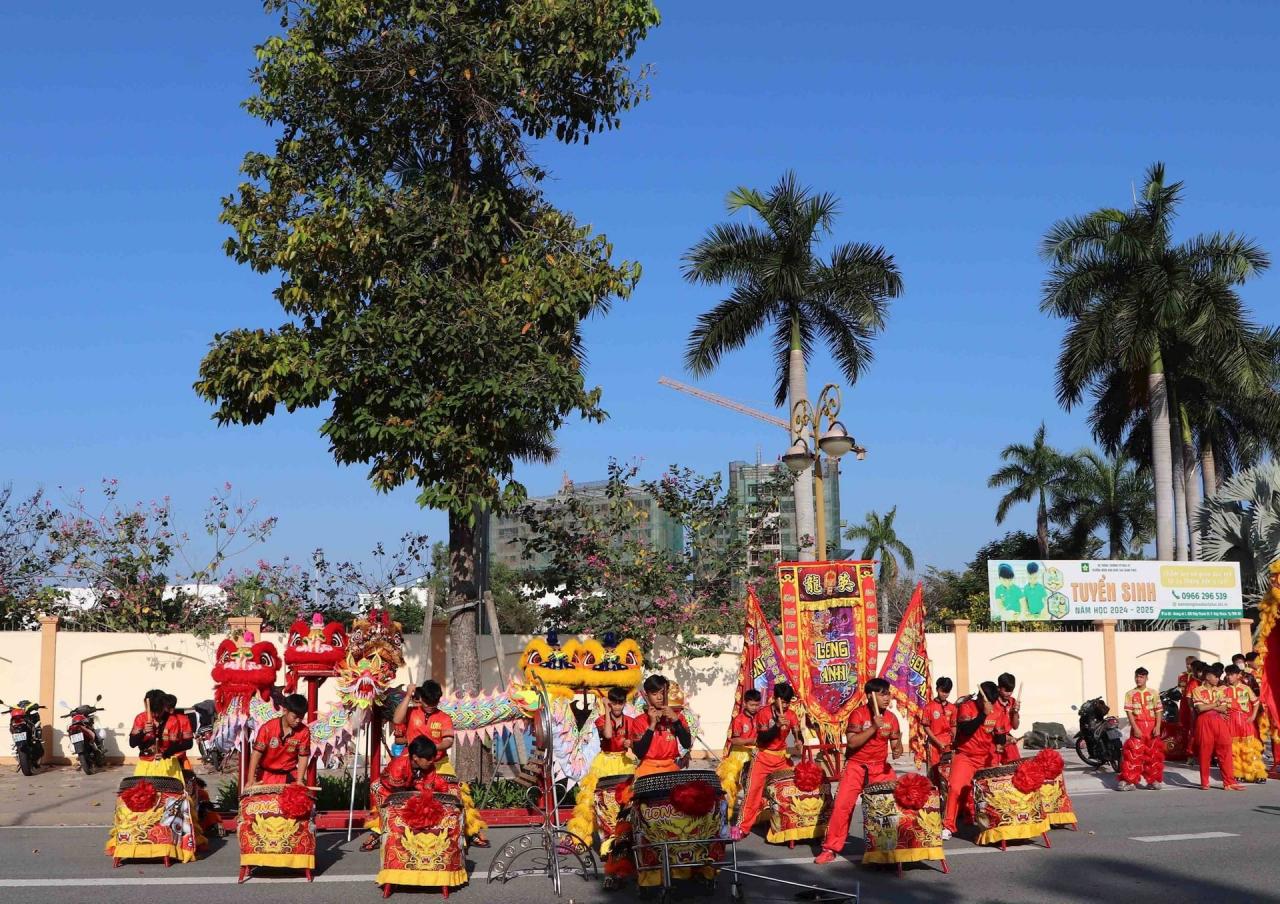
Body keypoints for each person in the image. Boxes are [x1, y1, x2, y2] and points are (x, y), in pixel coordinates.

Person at [814, 678, 901, 864]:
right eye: (882, 694)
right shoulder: (858, 714)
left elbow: (895, 744)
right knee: (841, 807)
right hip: (856, 766)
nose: (887, 698)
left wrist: (898, 747)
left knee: (892, 805)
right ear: (870, 696)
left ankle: (889, 846)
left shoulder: (892, 718)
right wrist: (874, 728)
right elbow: (852, 742)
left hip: (880, 768)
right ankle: (830, 848)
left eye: (888, 694)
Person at [393, 679, 489, 847]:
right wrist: (408, 695)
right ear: (420, 699)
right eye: (428, 702)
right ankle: (381, 833)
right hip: (413, 763)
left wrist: (431, 749)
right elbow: (396, 719)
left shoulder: (444, 717)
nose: (431, 705)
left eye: (435, 702)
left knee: (458, 792)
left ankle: (471, 831)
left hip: (438, 762)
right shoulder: (410, 713)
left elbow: (448, 741)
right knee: (395, 795)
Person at [731, 683, 801, 839]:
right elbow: (762, 739)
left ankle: (789, 825)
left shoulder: (791, 714)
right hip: (763, 756)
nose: (785, 705)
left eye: (787, 702)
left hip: (781, 758)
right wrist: (776, 726)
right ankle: (742, 827)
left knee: (791, 789)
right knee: (752, 792)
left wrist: (798, 741)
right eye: (782, 701)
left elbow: (797, 731)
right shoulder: (764, 714)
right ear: (774, 699)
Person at [362, 737, 450, 850]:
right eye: (428, 758)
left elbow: (428, 788)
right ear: (415, 757)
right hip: (386, 790)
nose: (431, 761)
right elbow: (399, 795)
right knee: (391, 816)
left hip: (408, 788)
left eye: (432, 758)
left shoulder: (429, 767)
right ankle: (376, 837)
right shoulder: (398, 765)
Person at [942, 682, 1001, 839]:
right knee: (955, 788)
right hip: (966, 757)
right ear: (981, 698)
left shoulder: (997, 711)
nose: (991, 705)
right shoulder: (967, 707)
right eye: (988, 701)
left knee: (992, 791)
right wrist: (983, 715)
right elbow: (966, 730)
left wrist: (1004, 740)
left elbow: (999, 734)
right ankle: (948, 826)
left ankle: (993, 822)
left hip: (985, 757)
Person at [629, 674, 692, 778]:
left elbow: (686, 743)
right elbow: (639, 753)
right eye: (654, 694)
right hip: (647, 770)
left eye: (662, 693)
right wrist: (652, 724)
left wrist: (676, 721)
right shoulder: (639, 721)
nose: (659, 697)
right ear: (646, 695)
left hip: (671, 768)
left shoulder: (677, 717)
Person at [1191, 667, 1242, 791]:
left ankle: (1229, 782)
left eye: (1219, 677)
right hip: (1204, 722)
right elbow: (1200, 709)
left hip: (1219, 722)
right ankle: (1205, 782)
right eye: (1216, 676)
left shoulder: (1220, 690)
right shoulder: (1197, 690)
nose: (1218, 679)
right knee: (1205, 751)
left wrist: (1209, 706)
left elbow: (1224, 708)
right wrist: (1215, 705)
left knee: (1225, 748)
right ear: (1208, 676)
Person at [247, 693, 311, 786]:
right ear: (285, 710)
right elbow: (256, 754)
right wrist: (250, 779)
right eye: (295, 717)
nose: (298, 721)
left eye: (301, 717)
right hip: (266, 776)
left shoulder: (304, 732)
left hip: (289, 775)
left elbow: (303, 757)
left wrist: (300, 780)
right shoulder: (268, 728)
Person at [718, 689, 761, 823]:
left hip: (757, 754)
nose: (754, 708)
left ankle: (756, 818)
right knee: (730, 785)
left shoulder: (761, 717)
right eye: (751, 705)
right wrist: (751, 741)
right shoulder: (739, 719)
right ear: (745, 703)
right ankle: (725, 818)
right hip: (739, 755)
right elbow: (735, 740)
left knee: (757, 787)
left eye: (756, 705)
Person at [1118, 667, 1163, 791]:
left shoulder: (1154, 693)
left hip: (1152, 725)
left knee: (1153, 754)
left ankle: (1152, 781)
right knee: (1134, 754)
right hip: (1138, 725)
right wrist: (1135, 728)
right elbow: (1129, 713)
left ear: (1146, 678)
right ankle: (1130, 781)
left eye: (1141, 677)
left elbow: (1158, 710)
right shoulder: (1130, 694)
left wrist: (1158, 726)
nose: (1138, 679)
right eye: (1137, 676)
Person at [1224, 665, 1266, 783]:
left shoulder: (1246, 688)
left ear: (1238, 675)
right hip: (1230, 722)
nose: (1229, 677)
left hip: (1245, 721)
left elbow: (1256, 703)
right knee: (1234, 749)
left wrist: (1253, 716)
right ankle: (1239, 772)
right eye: (1227, 674)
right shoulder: (1224, 690)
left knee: (1250, 747)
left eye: (1232, 674)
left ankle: (1258, 773)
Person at [923, 677, 956, 791]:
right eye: (942, 691)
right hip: (934, 744)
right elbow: (926, 727)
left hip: (948, 744)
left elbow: (953, 726)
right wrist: (937, 742)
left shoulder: (952, 707)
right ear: (937, 689)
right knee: (934, 773)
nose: (944, 694)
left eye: (947, 692)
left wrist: (953, 741)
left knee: (949, 772)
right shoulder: (929, 707)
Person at [995, 673, 1020, 763]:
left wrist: (1015, 712)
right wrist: (1006, 738)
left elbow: (1015, 726)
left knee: (1015, 766)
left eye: (1011, 691)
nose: (1009, 694)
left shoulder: (1012, 701)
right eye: (1006, 691)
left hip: (1008, 739)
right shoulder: (992, 703)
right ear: (999, 688)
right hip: (993, 739)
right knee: (992, 770)